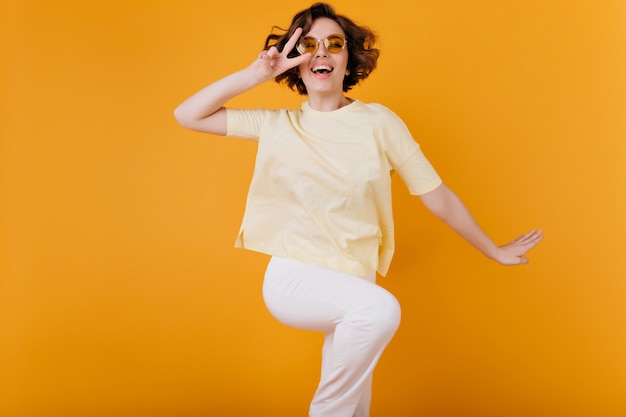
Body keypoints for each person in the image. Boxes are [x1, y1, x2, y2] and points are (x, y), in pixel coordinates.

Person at [174, 3, 543, 416]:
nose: (321, 53)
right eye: (309, 45)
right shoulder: (276, 125)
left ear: (349, 59)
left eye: (334, 44)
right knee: (379, 311)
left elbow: (435, 195)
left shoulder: (379, 123)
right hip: (294, 278)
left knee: (356, 401)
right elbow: (187, 115)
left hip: (355, 279)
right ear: (296, 65)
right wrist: (257, 74)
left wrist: (492, 249)